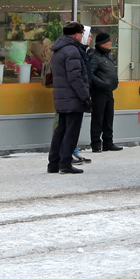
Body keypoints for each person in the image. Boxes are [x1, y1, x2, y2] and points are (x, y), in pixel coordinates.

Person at [48, 22, 92, 174]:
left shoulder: (58, 50)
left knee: (61, 130)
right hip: (73, 97)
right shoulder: (72, 51)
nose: (81, 37)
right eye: (81, 34)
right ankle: (65, 163)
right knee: (71, 131)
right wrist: (85, 96)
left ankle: (53, 163)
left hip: (62, 97)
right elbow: (75, 77)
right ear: (76, 35)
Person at [88, 32, 122, 153]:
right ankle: (96, 144)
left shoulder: (108, 56)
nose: (111, 43)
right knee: (98, 118)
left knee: (109, 117)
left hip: (109, 92)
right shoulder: (94, 56)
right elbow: (90, 75)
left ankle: (108, 142)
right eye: (109, 41)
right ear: (102, 43)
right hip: (99, 92)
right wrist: (102, 83)